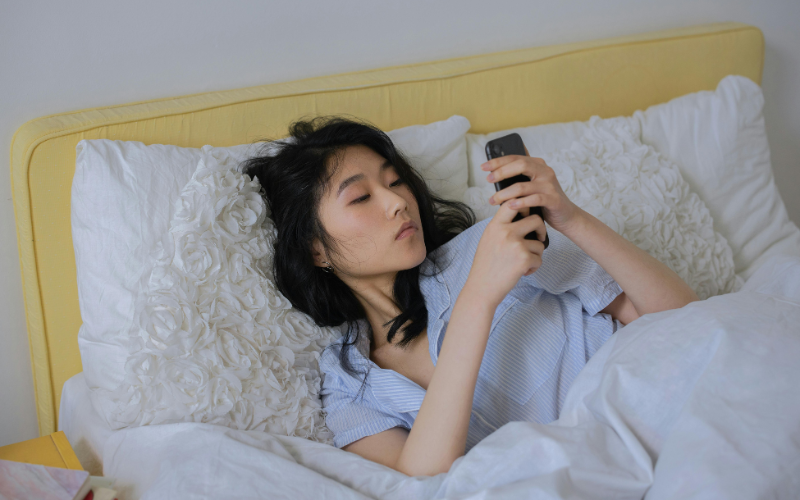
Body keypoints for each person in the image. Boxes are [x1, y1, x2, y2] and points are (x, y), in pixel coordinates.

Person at [242, 115, 699, 477]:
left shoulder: (499, 242)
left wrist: (571, 218)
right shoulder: (348, 384)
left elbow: (685, 320)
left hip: (666, 418)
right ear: (317, 249)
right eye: (361, 197)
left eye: (395, 181)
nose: (397, 201)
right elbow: (422, 482)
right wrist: (478, 298)